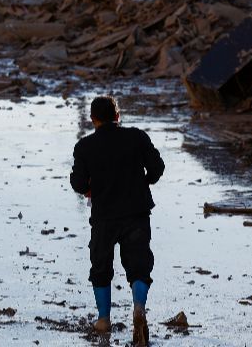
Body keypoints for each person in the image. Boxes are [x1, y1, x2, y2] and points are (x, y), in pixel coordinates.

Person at [70, 96, 164, 346]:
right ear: (117, 116)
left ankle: (103, 319)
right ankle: (139, 308)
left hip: (104, 217)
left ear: (93, 120)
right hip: (137, 212)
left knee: (101, 267)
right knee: (139, 266)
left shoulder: (85, 147)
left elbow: (78, 183)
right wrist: (143, 182)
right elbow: (157, 168)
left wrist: (90, 187)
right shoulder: (137, 137)